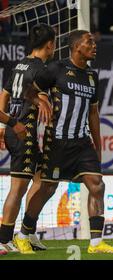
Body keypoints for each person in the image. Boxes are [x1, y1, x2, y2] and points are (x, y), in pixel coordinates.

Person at [14, 30, 113, 254]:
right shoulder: (56, 69)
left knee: (97, 185)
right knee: (47, 189)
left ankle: (95, 244)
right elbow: (28, 91)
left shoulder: (92, 76)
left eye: (94, 41)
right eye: (89, 42)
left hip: (82, 143)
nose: (94, 45)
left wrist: (98, 144)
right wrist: (41, 100)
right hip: (57, 142)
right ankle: (23, 234)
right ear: (76, 47)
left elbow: (93, 113)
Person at [0, 24, 55, 255]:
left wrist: (2, 126)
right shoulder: (41, 70)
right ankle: (3, 240)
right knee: (18, 188)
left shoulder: (19, 64)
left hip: (16, 128)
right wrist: (46, 103)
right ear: (50, 45)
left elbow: (4, 94)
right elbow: (40, 100)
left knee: (46, 181)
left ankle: (27, 232)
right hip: (25, 130)